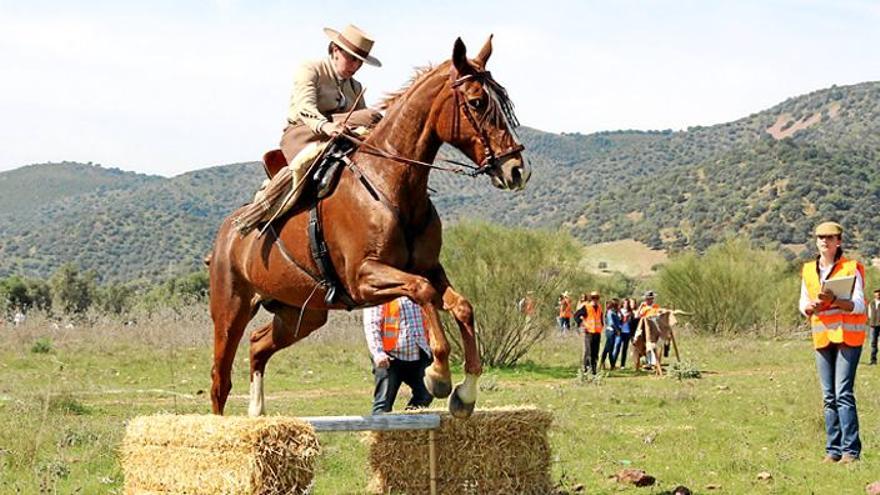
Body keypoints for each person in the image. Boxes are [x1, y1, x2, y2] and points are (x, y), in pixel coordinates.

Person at [236, 24, 384, 234]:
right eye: (351, 58)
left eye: (360, 61)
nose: (356, 65)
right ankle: (259, 210)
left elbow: (360, 121)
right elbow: (305, 107)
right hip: (304, 133)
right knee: (372, 116)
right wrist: (326, 126)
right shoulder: (311, 69)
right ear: (335, 50)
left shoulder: (356, 87)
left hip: (341, 137)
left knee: (374, 122)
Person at [799, 221, 867, 464]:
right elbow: (803, 303)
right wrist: (810, 307)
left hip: (848, 336)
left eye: (829, 237)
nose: (824, 241)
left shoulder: (851, 267)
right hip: (822, 335)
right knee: (828, 396)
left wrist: (836, 301)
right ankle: (833, 450)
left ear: (838, 241)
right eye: (820, 237)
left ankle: (851, 452)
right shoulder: (808, 270)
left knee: (843, 393)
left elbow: (859, 304)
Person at [363, 296, 433, 414]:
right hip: (389, 359)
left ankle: (407, 428)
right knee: (383, 404)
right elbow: (371, 325)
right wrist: (378, 353)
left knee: (426, 394)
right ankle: (381, 431)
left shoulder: (417, 292)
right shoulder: (379, 294)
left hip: (418, 355)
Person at [580, 291, 604, 375]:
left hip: (597, 332)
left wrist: (602, 326)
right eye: (593, 297)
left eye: (597, 297)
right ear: (590, 298)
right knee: (588, 352)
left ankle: (594, 370)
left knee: (595, 352)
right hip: (588, 332)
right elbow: (576, 315)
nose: (595, 299)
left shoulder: (600, 307)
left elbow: (601, 318)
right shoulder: (586, 307)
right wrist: (583, 325)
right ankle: (586, 370)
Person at [613, 298, 635, 368]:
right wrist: (623, 318)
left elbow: (632, 324)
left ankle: (622, 365)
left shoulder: (631, 313)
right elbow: (617, 321)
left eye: (627, 303)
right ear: (622, 303)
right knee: (617, 347)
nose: (626, 305)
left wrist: (632, 334)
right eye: (625, 303)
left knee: (625, 349)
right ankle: (613, 363)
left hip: (627, 332)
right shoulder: (619, 311)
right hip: (620, 332)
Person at [600, 298, 621, 370]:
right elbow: (612, 323)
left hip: (612, 332)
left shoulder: (614, 312)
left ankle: (607, 364)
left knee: (608, 349)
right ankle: (607, 364)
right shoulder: (610, 312)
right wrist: (617, 330)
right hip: (611, 332)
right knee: (608, 349)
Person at [868, 288, 880, 365]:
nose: (877, 294)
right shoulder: (871, 303)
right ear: (874, 294)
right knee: (873, 343)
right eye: (876, 293)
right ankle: (873, 360)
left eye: (878, 293)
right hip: (873, 325)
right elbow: (869, 314)